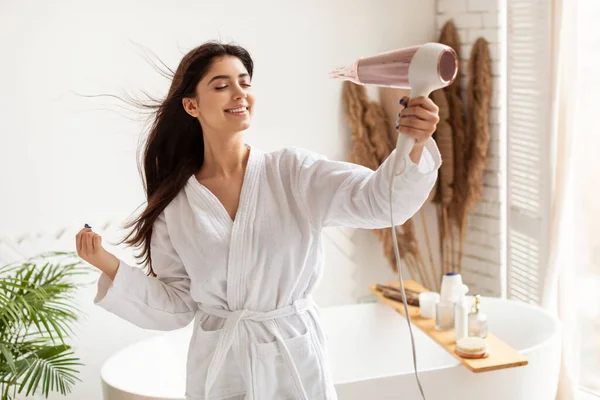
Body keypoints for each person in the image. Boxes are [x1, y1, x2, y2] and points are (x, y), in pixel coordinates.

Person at [75, 41, 441, 400]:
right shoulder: (177, 202)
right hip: (220, 365)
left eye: (245, 83)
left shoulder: (292, 172)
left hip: (292, 357)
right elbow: (177, 304)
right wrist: (105, 263)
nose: (239, 93)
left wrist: (416, 143)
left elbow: (378, 201)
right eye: (222, 86)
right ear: (191, 105)